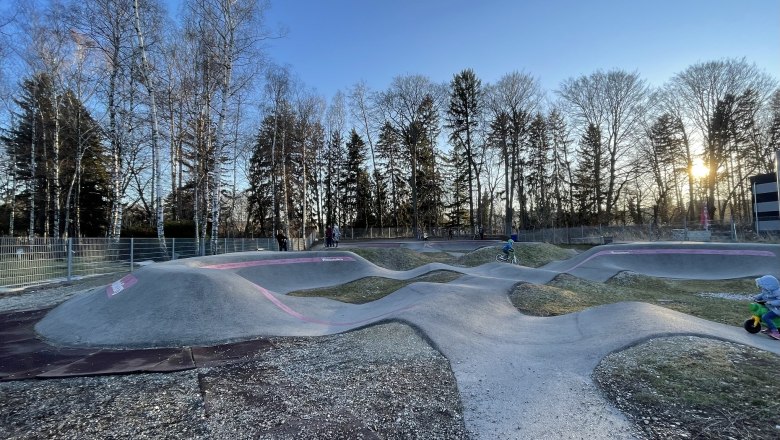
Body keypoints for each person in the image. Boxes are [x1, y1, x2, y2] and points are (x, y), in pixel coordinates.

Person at [753, 275, 780, 340]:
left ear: (768, 286)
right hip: (771, 308)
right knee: (764, 313)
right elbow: (763, 295)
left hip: (777, 309)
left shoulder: (777, 292)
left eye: (762, 286)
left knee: (766, 317)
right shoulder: (767, 291)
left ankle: (775, 332)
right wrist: (756, 297)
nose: (761, 287)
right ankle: (769, 329)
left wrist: (771, 302)